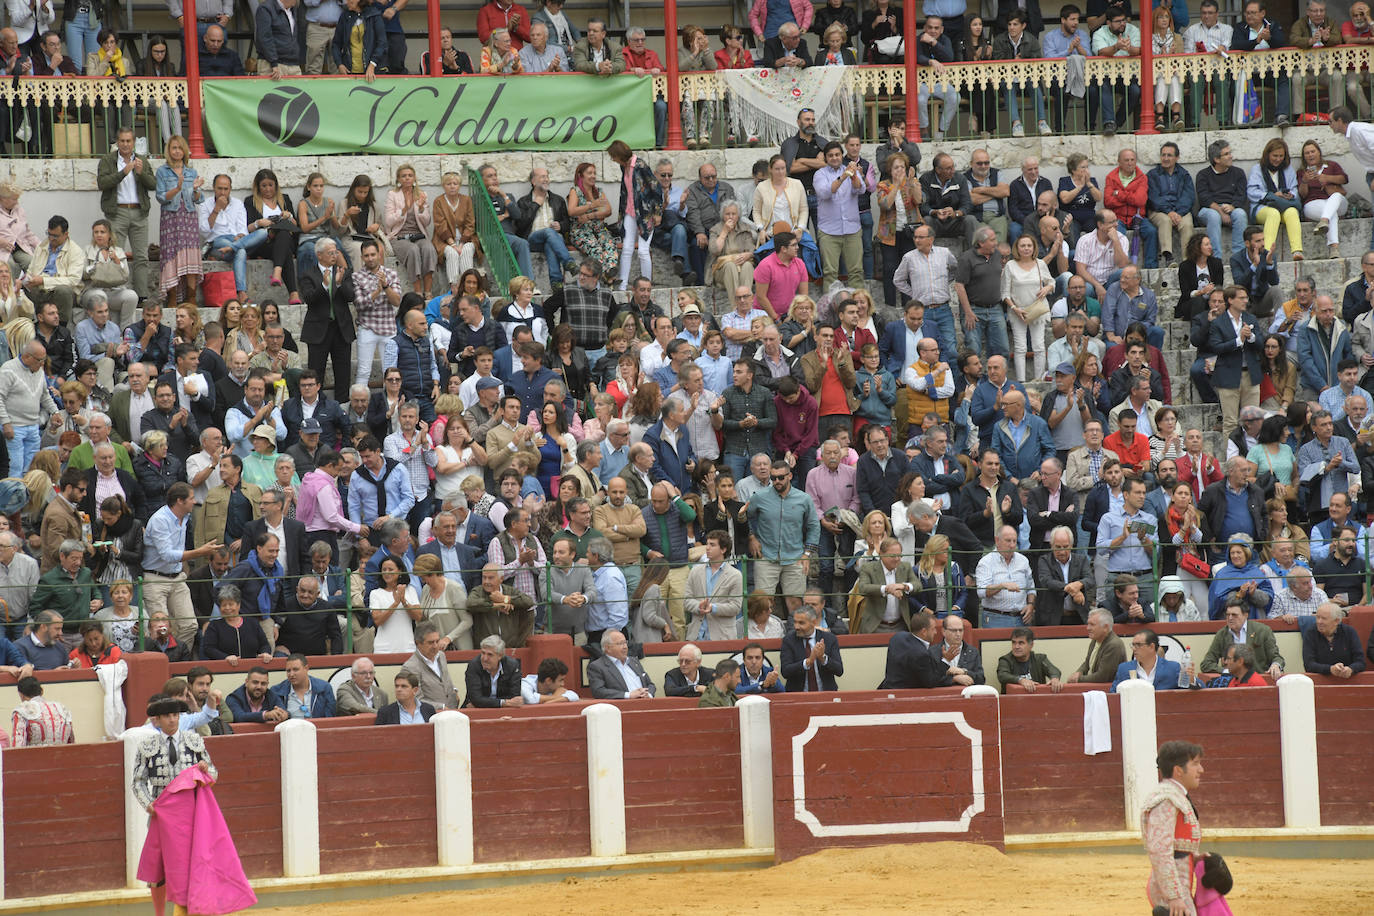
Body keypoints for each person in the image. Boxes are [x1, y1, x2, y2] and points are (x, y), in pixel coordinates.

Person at [1142, 740, 1205, 916]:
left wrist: (1196, 857)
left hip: (1179, 882)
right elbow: (1160, 850)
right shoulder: (1167, 800)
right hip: (1172, 888)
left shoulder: (1175, 796)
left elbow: (1175, 845)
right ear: (1178, 770)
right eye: (1195, 764)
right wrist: (1173, 895)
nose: (1201, 770)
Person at [95, 128, 155, 300]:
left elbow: (153, 184)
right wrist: (123, 172)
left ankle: (142, 296)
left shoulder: (142, 160)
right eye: (122, 141)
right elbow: (102, 183)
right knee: (115, 254)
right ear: (117, 142)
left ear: (134, 142)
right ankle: (117, 292)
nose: (125, 144)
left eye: (129, 141)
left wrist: (141, 173)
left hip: (139, 211)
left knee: (141, 256)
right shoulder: (108, 160)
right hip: (117, 212)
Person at [1200, 600, 1285, 676]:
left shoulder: (1263, 631)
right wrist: (1226, 671)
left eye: (1234, 615)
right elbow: (1206, 664)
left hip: (1258, 680)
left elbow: (1277, 658)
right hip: (1232, 683)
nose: (1230, 618)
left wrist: (1276, 665)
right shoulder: (1222, 634)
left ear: (1245, 615)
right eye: (1228, 615)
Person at [780, 604, 842, 691]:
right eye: (795, 622)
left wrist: (823, 658)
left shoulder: (829, 639)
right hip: (799, 696)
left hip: (826, 695)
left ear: (813, 622)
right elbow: (785, 672)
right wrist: (808, 662)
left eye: (801, 623)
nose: (796, 627)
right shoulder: (789, 640)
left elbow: (839, 671)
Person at [587, 629, 656, 699]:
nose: (625, 647)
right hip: (622, 706)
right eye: (620, 643)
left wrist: (648, 694)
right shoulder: (597, 666)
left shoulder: (634, 661)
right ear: (607, 648)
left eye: (625, 643)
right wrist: (628, 695)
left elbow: (650, 684)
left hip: (645, 703)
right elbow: (598, 691)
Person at [996, 626, 1064, 694]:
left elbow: (1054, 670)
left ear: (1031, 645)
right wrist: (1020, 680)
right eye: (1014, 642)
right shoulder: (1005, 660)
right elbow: (1002, 675)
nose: (1016, 647)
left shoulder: (1039, 659)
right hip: (1014, 701)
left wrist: (1055, 679)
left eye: (1021, 643)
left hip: (1038, 700)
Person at [1066, 608, 1126, 683]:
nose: (1088, 628)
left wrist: (1078, 679)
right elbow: (1087, 663)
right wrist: (1078, 673)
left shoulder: (1114, 645)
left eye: (1092, 625)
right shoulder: (1095, 640)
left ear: (1105, 627)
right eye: (1088, 624)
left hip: (1106, 692)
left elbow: (1102, 677)